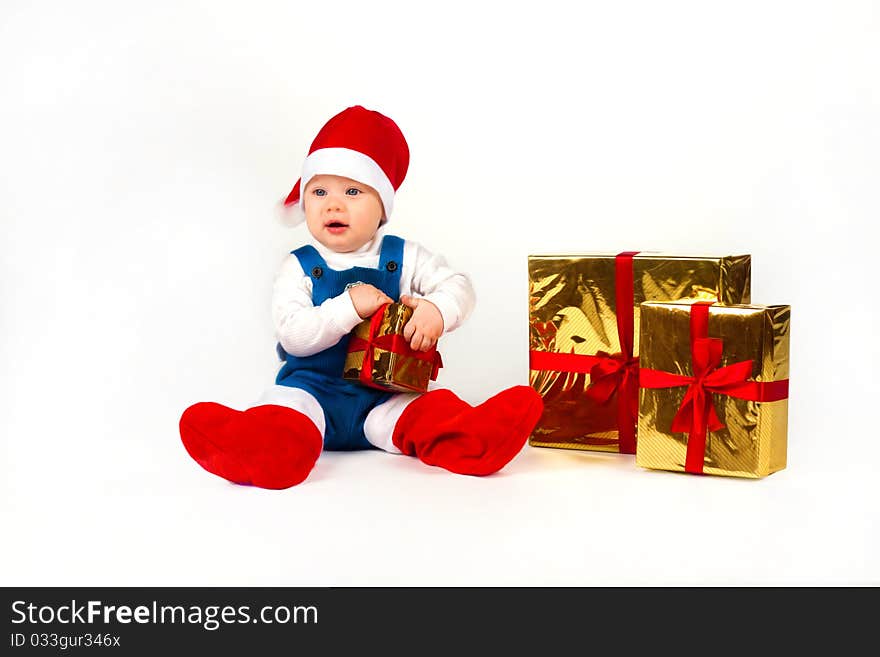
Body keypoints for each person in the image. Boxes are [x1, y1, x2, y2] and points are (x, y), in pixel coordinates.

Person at [179, 105, 543, 489]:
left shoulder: (404, 256)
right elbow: (293, 337)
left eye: (353, 191)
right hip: (311, 393)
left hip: (384, 395)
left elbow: (459, 285)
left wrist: (437, 309)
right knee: (283, 416)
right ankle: (262, 451)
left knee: (432, 411)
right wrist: (347, 307)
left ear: (382, 206)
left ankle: (472, 438)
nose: (333, 205)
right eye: (319, 191)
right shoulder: (299, 265)